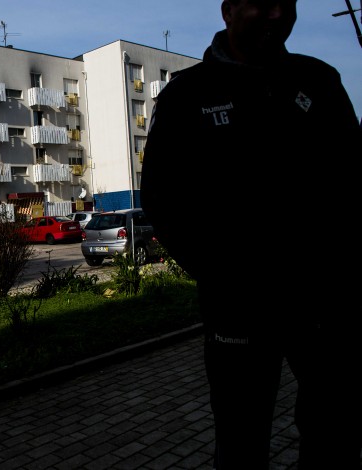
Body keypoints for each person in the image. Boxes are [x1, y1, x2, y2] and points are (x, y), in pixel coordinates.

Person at [140, 1, 362, 469]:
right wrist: (221, 275)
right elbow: (164, 200)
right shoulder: (188, 94)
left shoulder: (319, 81)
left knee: (337, 427)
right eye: (262, 1)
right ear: (228, 11)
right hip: (238, 310)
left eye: (290, 3)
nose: (277, 14)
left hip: (325, 304)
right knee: (242, 439)